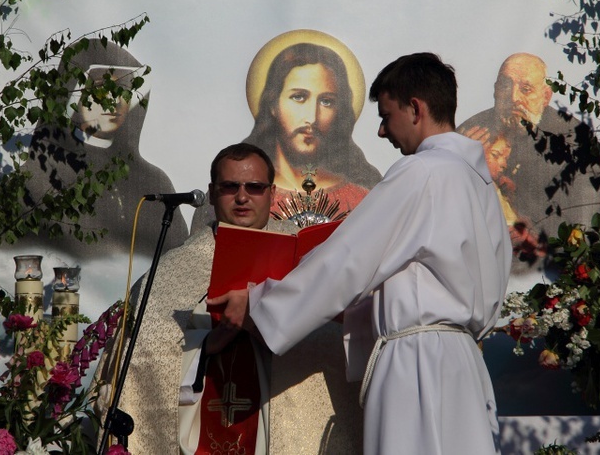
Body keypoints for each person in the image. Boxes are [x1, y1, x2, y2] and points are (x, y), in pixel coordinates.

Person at [209, 53, 512, 454]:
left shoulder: (423, 173)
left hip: (416, 366)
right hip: (463, 366)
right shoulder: (480, 185)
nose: (383, 132)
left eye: (386, 116)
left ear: (416, 109)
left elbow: (348, 260)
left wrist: (260, 305)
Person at [92, 143, 362, 454]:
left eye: (255, 187)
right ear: (212, 191)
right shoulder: (176, 268)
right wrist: (205, 346)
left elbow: (334, 344)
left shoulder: (310, 260)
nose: (242, 197)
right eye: (230, 186)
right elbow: (145, 352)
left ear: (272, 192)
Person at [19, 38, 188, 260]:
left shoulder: (154, 182)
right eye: (101, 89)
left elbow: (181, 263)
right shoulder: (35, 178)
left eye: (124, 91)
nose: (115, 101)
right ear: (72, 94)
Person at [190, 38, 382, 232]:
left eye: (326, 101)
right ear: (273, 104)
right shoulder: (228, 195)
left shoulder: (363, 200)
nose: (311, 118)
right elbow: (203, 252)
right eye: (298, 97)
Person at [458, 52, 600, 274]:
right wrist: (458, 163)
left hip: (547, 274)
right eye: (506, 87)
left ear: (546, 97)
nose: (514, 98)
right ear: (495, 90)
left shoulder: (574, 138)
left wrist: (540, 236)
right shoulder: (471, 132)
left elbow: (590, 223)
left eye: (526, 89)